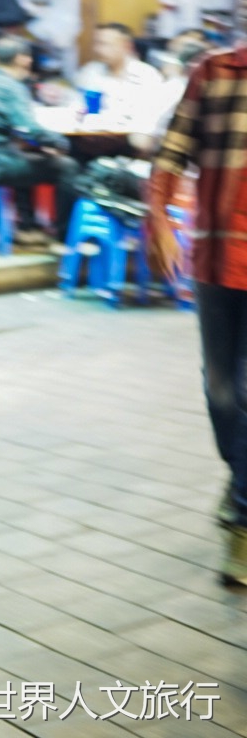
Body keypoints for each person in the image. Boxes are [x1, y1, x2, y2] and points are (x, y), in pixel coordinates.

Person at [148, 43, 247, 585]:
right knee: (221, 390)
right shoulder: (215, 71)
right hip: (216, 257)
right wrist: (158, 219)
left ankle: (243, 528)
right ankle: (239, 479)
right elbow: (170, 155)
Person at [0, 37, 78, 240]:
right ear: (23, 60)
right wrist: (60, 143)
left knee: (26, 159)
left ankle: (27, 227)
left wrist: (40, 143)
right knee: (66, 167)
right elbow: (30, 130)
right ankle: (63, 236)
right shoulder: (12, 87)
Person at [77, 22, 162, 122]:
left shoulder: (147, 75)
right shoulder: (91, 70)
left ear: (126, 46)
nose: (98, 50)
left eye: (105, 44)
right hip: (89, 131)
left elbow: (150, 116)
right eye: (97, 44)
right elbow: (77, 103)